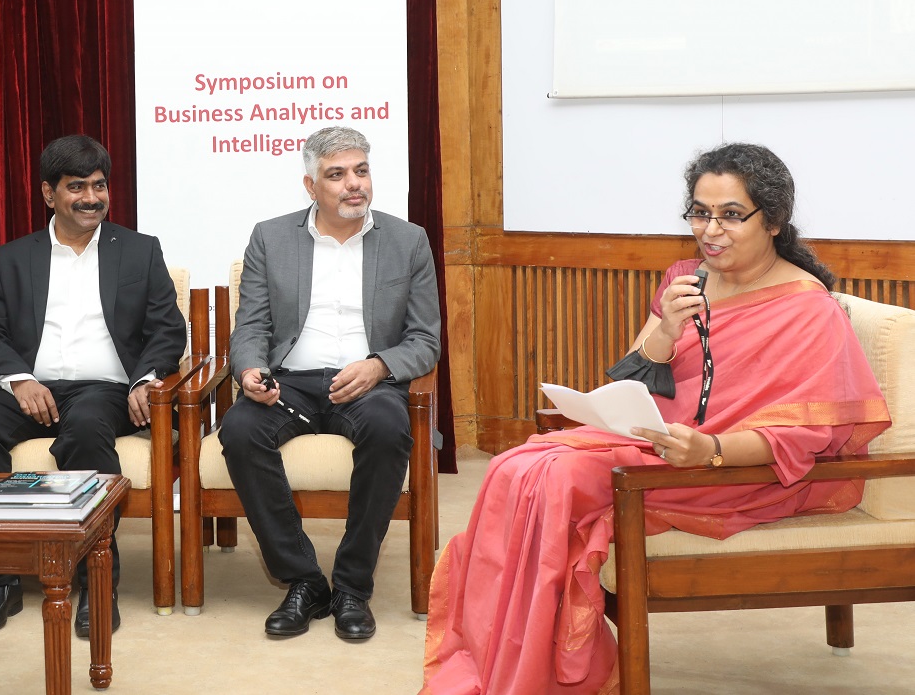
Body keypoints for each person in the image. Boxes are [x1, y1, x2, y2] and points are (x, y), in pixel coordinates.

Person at [421, 142, 891, 694]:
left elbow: (804, 436)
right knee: (511, 469)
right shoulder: (686, 278)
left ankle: (540, 676)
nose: (710, 230)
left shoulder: (807, 309)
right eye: (699, 212)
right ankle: (500, 657)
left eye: (731, 215)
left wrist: (709, 450)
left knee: (555, 478)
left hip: (734, 469)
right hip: (657, 443)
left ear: (776, 221)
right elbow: (635, 379)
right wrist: (666, 331)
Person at [0, 134, 186, 638]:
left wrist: (145, 380)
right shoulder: (13, 258)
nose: (91, 197)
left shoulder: (140, 251)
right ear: (48, 194)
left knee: (84, 429)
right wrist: (18, 380)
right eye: (76, 186)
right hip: (30, 386)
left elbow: (169, 328)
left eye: (99, 185)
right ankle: (0, 579)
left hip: (106, 388)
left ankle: (98, 577)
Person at [221, 126, 441, 642]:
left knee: (390, 430)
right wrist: (251, 369)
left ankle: (351, 587)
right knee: (239, 431)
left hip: (366, 383)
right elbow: (251, 326)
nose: (353, 185)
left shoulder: (408, 241)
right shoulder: (270, 237)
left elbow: (425, 340)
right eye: (336, 175)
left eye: (360, 171)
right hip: (290, 382)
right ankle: (303, 580)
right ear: (310, 185)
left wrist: (380, 366)